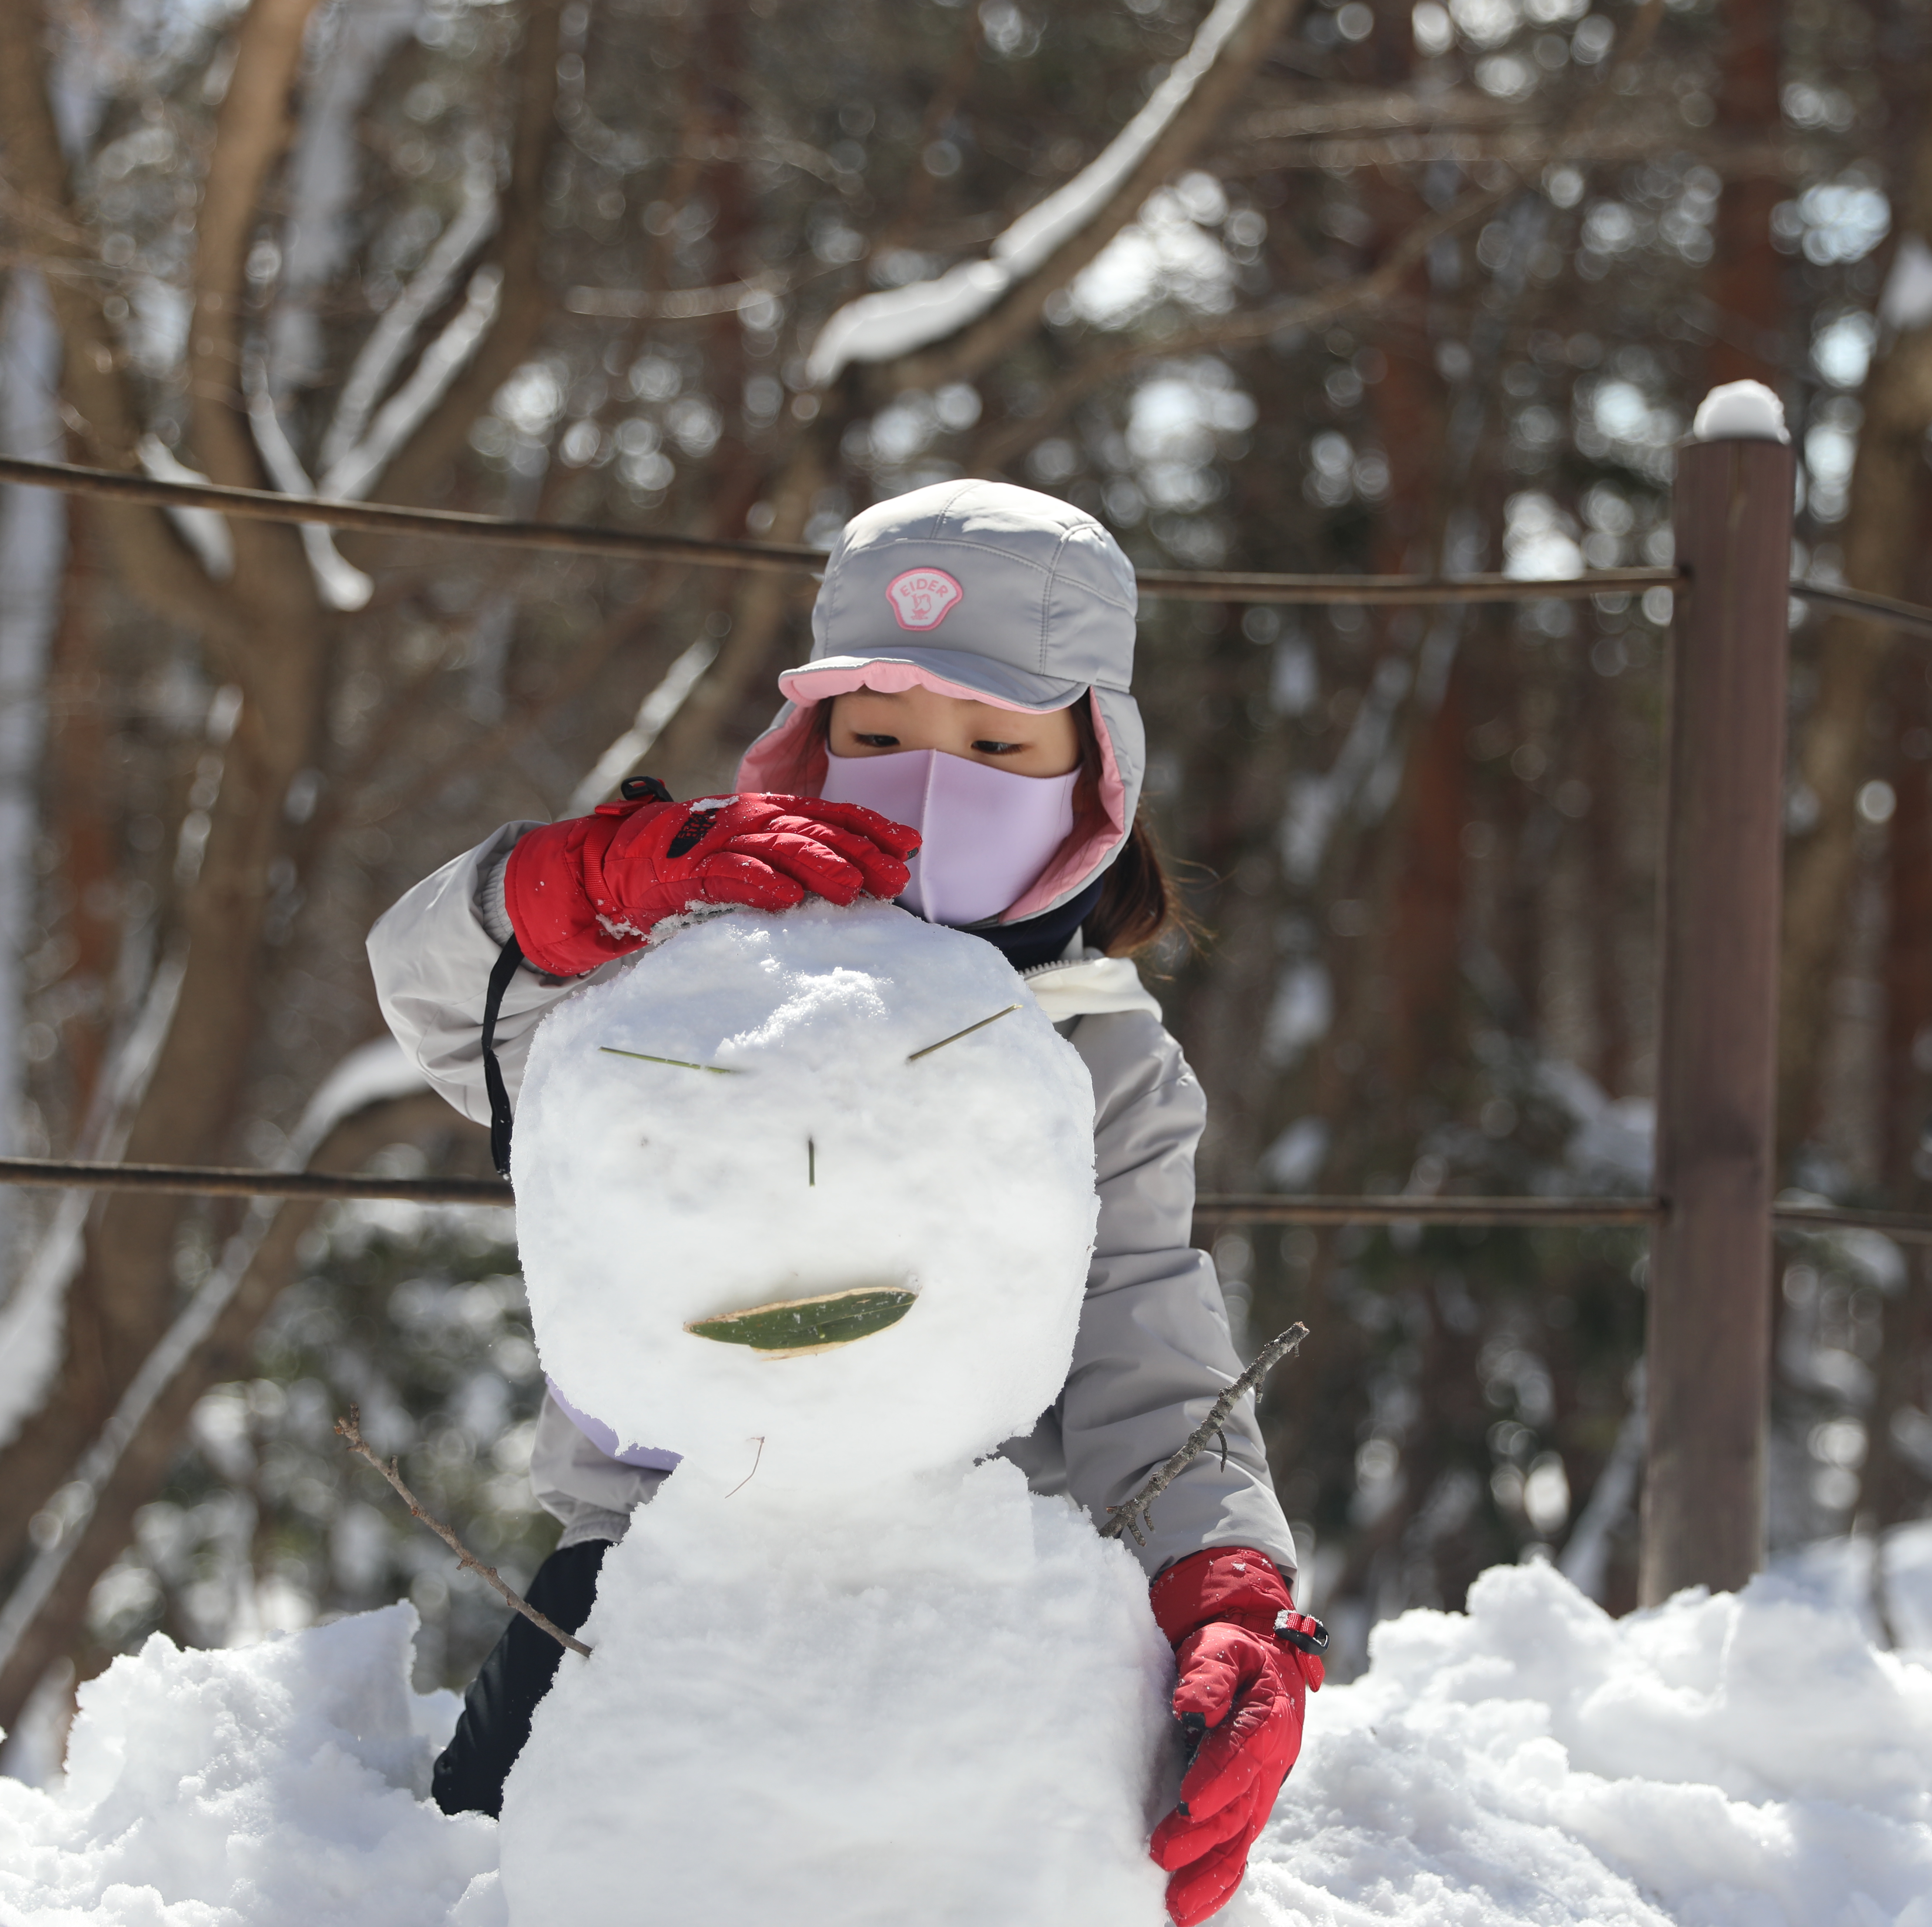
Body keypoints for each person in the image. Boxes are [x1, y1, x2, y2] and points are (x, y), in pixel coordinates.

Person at [366, 479, 1320, 1924]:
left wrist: (1228, 1584)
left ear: (1094, 779)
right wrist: (587, 889)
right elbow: (446, 1008)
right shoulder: (686, 966)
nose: (930, 780)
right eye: (877, 736)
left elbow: (1148, 1343)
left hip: (977, 1569)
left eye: (998, 743)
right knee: (482, 1872)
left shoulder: (1097, 1054)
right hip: (651, 1559)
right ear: (808, 748)